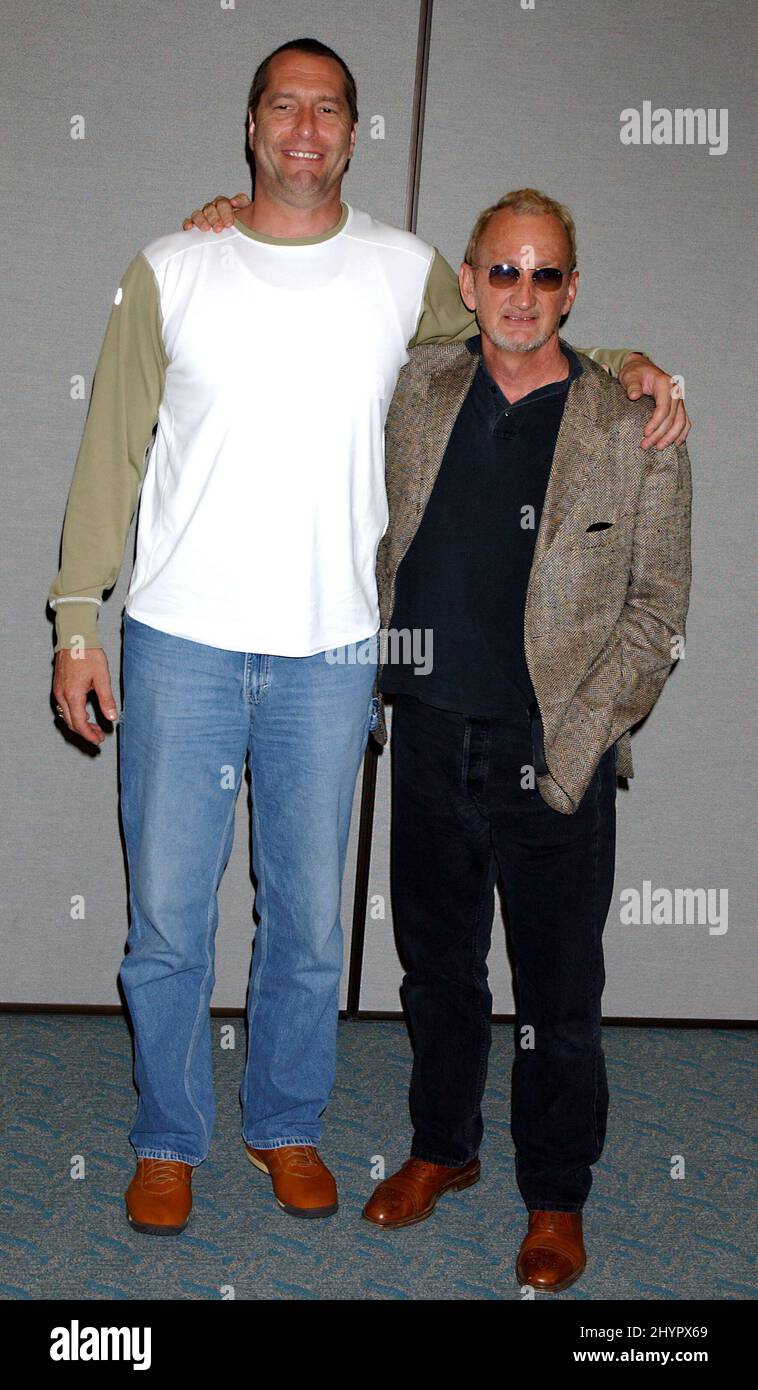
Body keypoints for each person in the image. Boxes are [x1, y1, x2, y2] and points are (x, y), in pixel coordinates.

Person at [49, 37, 689, 1239]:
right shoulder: (171, 267)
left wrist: (627, 363)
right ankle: (167, 1135)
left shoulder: (403, 270)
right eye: (282, 106)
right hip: (179, 642)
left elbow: (518, 334)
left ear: (354, 132)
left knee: (304, 916)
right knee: (168, 920)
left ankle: (284, 1122)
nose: (304, 127)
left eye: (327, 108)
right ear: (250, 127)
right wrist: (77, 615)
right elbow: (109, 454)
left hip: (337, 654)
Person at [359, 189, 691, 1294]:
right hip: (426, 733)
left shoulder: (630, 422)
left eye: (544, 275)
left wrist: (579, 742)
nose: (521, 294)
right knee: (435, 968)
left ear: (571, 290)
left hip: (550, 755)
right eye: (501, 272)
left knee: (558, 993)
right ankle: (441, 1149)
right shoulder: (417, 390)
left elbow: (655, 614)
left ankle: (555, 1195)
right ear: (466, 282)